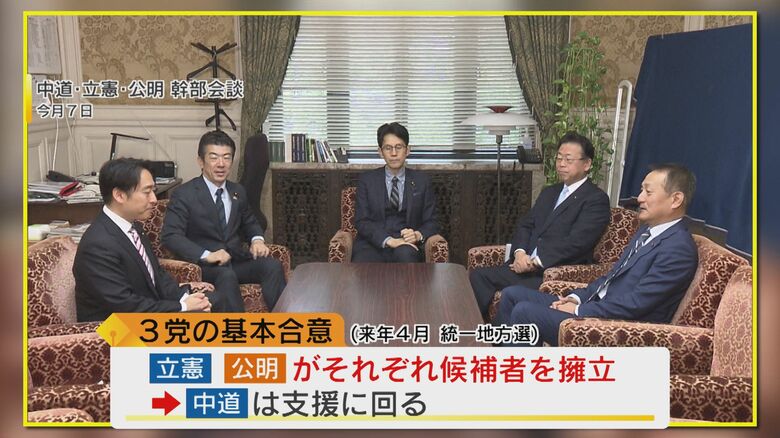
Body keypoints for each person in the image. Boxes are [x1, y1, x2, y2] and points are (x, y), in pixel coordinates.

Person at [496, 163, 699, 346]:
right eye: (641, 190)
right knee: (512, 295)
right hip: (598, 308)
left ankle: (516, 373)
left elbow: (638, 304)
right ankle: (502, 361)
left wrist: (579, 311)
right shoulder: (647, 231)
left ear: (676, 199)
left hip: (620, 329)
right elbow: (610, 277)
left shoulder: (678, 248)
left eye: (648, 192)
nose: (640, 198)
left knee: (525, 312)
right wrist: (576, 298)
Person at [469, 132, 611, 320]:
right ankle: (473, 329)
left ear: (587, 164)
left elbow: (577, 242)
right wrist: (520, 253)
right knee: (478, 276)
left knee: (512, 293)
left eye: (568, 160)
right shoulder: (550, 192)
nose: (561, 164)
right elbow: (526, 225)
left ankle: (498, 337)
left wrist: (535, 262)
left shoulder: (595, 199)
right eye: (559, 158)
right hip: (523, 266)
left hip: (553, 272)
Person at [161, 130, 286, 311]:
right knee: (226, 276)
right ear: (200, 161)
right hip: (205, 266)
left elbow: (250, 221)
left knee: (271, 266)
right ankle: (236, 327)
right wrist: (206, 254)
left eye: (227, 158)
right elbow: (171, 236)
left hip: (235, 260)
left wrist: (257, 240)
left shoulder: (238, 191)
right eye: (214, 158)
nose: (221, 164)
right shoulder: (184, 194)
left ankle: (283, 319)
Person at [74, 158, 212, 322]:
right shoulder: (97, 245)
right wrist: (182, 307)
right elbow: (124, 305)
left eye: (153, 191)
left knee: (217, 305)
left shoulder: (134, 226)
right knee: (211, 329)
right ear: (119, 195)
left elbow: (157, 275)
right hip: (112, 329)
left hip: (144, 316)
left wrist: (184, 297)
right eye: (147, 192)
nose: (154, 199)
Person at [352, 122, 439, 263]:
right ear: (380, 152)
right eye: (388, 148)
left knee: (406, 256)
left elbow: (432, 222)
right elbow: (362, 221)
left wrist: (417, 235)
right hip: (373, 243)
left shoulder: (422, 181)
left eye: (399, 147)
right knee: (363, 260)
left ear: (407, 150)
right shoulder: (366, 180)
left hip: (406, 244)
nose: (394, 153)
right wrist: (389, 240)